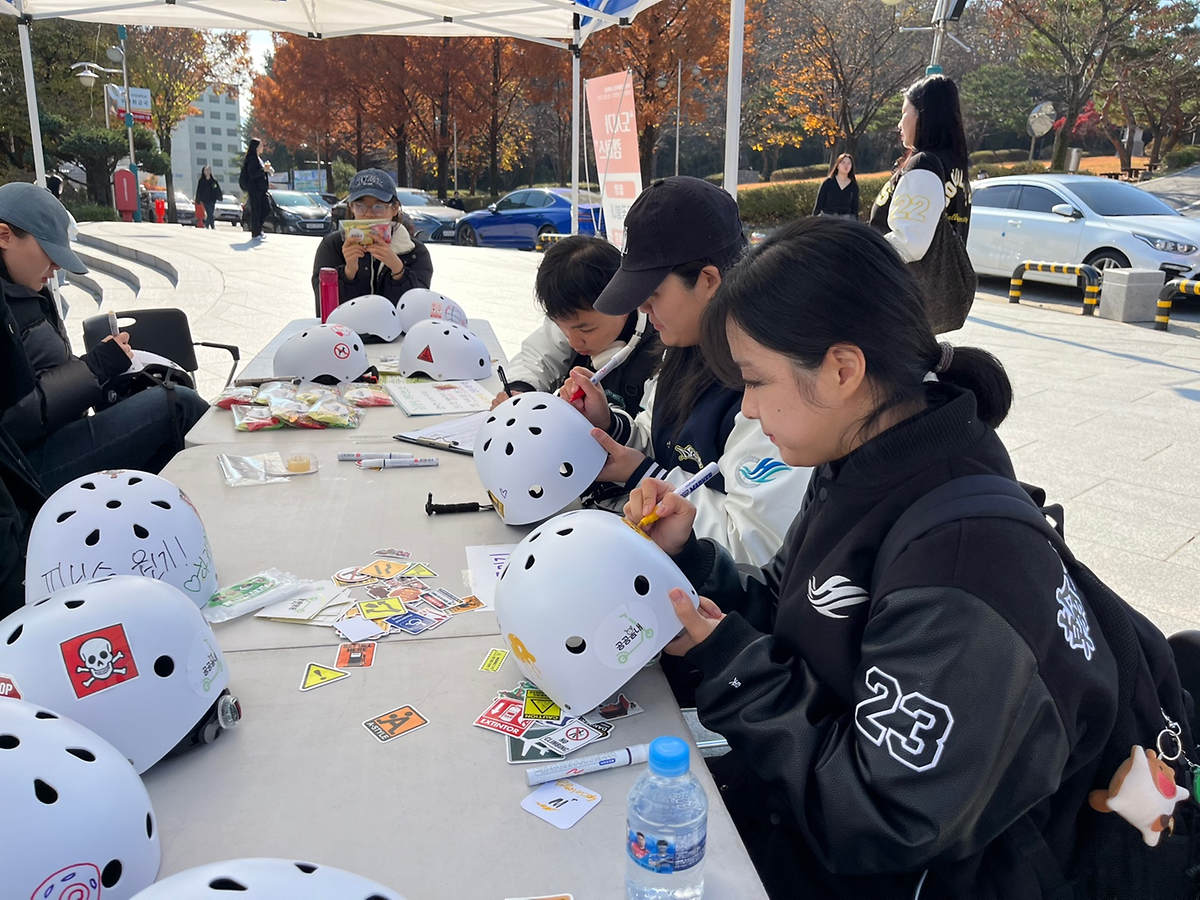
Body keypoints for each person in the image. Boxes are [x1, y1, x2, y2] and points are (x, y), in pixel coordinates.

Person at [628, 216, 1120, 899]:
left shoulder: (961, 564)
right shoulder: (863, 458)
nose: (748, 410)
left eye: (757, 382)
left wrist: (733, 667)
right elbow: (796, 610)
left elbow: (882, 816)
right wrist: (693, 559)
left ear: (842, 370)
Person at [566, 176, 810, 569]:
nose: (642, 308)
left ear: (708, 281)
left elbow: (754, 546)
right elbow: (658, 437)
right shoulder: (682, 347)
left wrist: (642, 475)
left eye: (652, 294)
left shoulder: (771, 384)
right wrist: (610, 427)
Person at [0, 182, 209, 493]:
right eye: (48, 251)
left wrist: (99, 371)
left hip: (53, 440)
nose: (56, 266)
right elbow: (13, 417)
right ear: (4, 236)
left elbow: (45, 373)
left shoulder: (25, 290)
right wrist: (95, 368)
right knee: (177, 404)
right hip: (24, 474)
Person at [492, 234, 659, 417]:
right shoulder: (571, 321)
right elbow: (537, 359)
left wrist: (609, 423)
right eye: (561, 327)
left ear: (623, 304)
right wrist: (520, 391)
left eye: (586, 330)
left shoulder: (661, 351)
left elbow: (649, 430)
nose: (573, 342)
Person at [869, 74, 971, 262]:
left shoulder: (924, 165)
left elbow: (909, 243)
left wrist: (862, 254)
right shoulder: (953, 164)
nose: (899, 124)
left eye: (904, 112)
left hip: (901, 278)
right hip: (938, 278)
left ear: (922, 115)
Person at [311, 168, 433, 306]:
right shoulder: (333, 245)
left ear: (394, 209)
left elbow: (417, 308)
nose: (369, 214)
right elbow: (324, 306)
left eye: (378, 207)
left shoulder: (414, 252)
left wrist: (398, 270)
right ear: (351, 208)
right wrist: (348, 272)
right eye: (360, 206)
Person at [239, 138, 270, 239]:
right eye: (260, 146)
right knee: (256, 210)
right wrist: (263, 169)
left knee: (266, 208)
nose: (262, 147)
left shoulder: (258, 158)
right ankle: (256, 232)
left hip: (261, 189)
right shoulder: (252, 159)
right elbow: (253, 174)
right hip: (254, 189)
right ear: (256, 147)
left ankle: (259, 228)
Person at [812, 153, 859, 219]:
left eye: (849, 163)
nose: (846, 165)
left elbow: (854, 209)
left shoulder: (853, 186)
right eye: (843, 163)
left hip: (845, 219)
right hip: (827, 217)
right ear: (837, 166)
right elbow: (818, 205)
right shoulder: (828, 183)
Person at [195, 165, 221, 230]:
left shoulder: (213, 181)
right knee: (209, 212)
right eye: (206, 170)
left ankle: (207, 224)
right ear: (203, 172)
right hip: (205, 200)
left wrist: (219, 196)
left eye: (208, 170)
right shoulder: (201, 181)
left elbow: (217, 189)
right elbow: (199, 190)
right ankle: (212, 225)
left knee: (210, 212)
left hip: (212, 199)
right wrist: (198, 199)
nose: (207, 171)